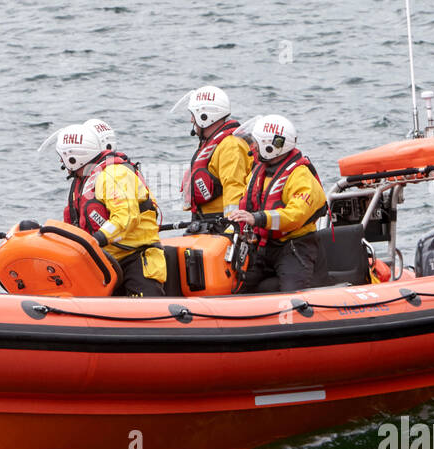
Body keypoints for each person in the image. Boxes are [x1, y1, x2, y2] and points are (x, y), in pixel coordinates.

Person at [53, 119, 167, 297]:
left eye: (63, 157)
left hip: (135, 259)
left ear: (73, 156)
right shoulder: (84, 182)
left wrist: (96, 239)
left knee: (145, 310)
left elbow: (125, 218)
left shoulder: (113, 174)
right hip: (105, 262)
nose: (61, 163)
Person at [226, 114, 329, 292]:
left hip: (294, 247)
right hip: (262, 246)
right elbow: (245, 205)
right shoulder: (258, 173)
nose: (252, 148)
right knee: (235, 286)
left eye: (256, 143)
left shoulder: (301, 175)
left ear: (270, 146)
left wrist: (257, 218)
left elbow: (295, 216)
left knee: (293, 294)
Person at [172, 85, 252, 221]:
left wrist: (232, 226)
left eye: (193, 115)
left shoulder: (231, 145)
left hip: (222, 223)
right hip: (206, 221)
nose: (192, 120)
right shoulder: (213, 144)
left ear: (205, 116)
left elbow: (234, 187)